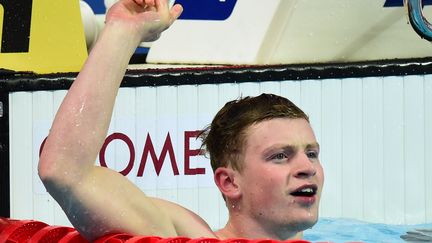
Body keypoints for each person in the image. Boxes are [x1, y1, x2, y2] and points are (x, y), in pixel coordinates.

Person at [38, 0, 324, 241]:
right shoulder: (185, 235)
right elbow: (64, 171)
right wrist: (123, 32)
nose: (307, 168)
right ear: (228, 182)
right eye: (280, 156)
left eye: (311, 153)